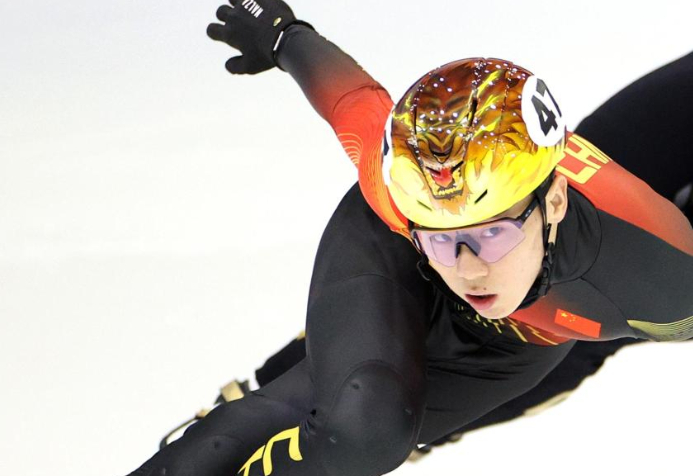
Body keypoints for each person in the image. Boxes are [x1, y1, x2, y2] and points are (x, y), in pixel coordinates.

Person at [128, 1, 693, 474]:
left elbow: (352, 98)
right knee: (363, 421)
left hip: (532, 330)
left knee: (369, 426)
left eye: (492, 233)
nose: (469, 269)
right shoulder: (399, 193)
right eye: (442, 238)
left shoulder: (664, 283)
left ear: (557, 201)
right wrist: (284, 35)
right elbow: (354, 103)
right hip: (419, 255)